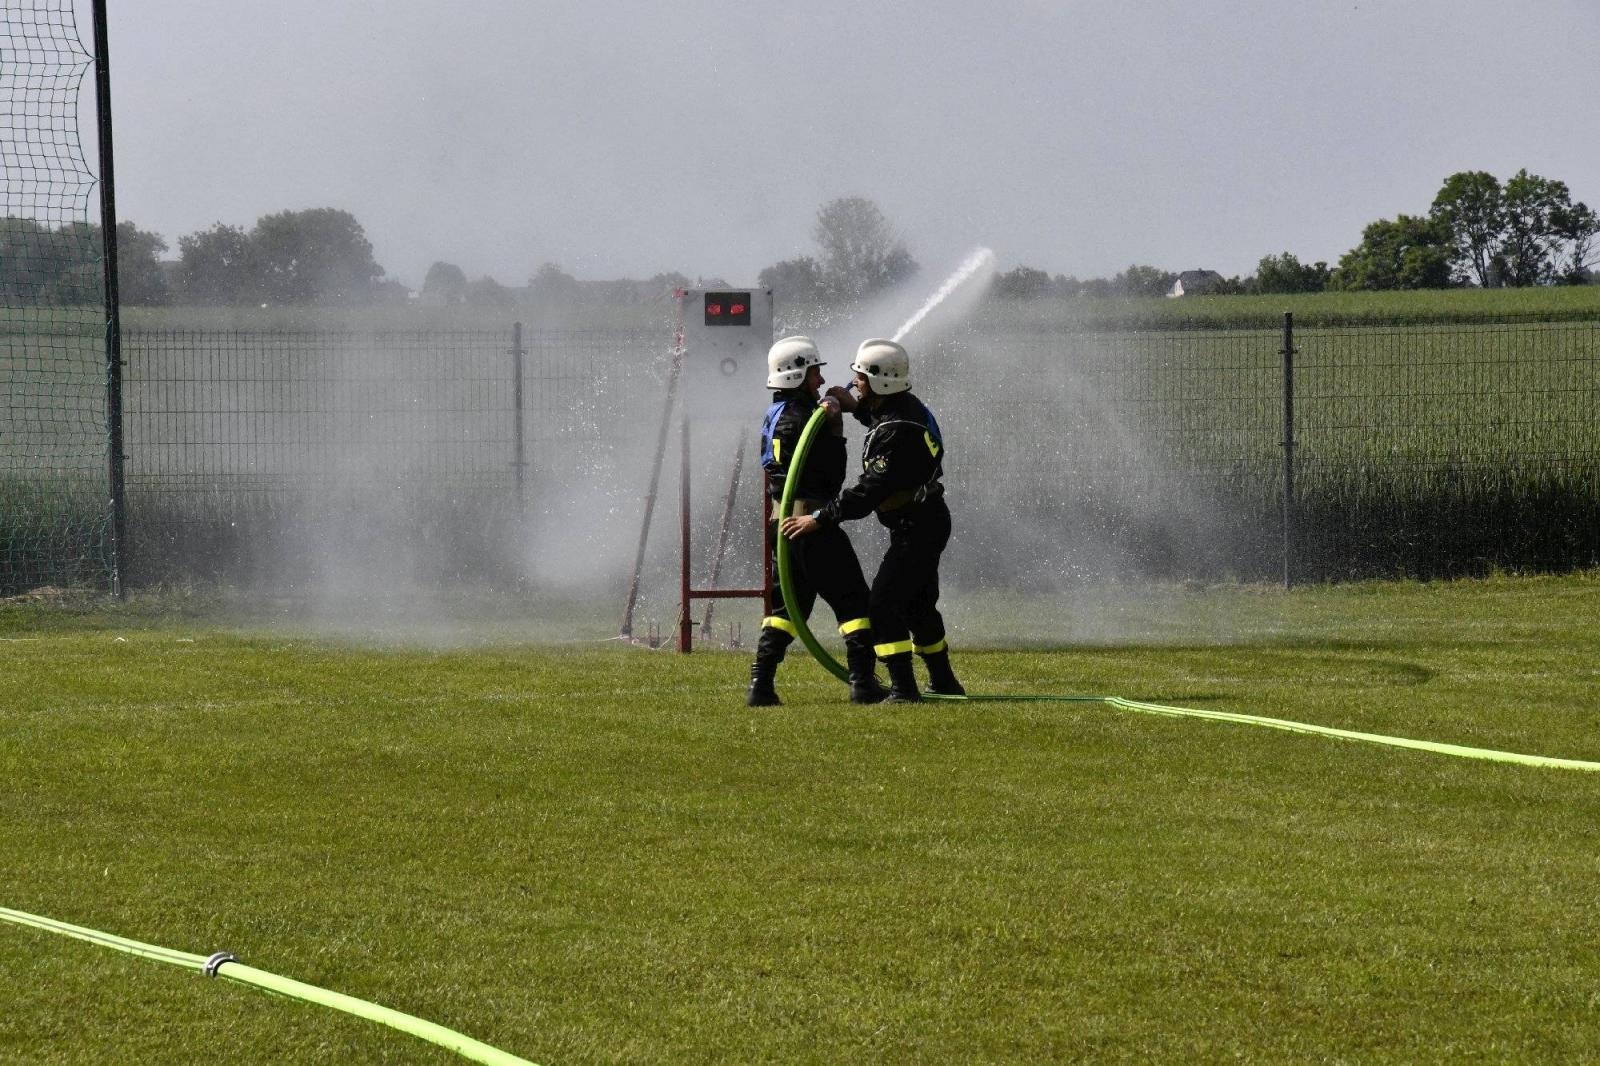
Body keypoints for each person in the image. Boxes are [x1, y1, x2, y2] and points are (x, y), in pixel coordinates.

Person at [780, 338, 963, 703]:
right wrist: (853, 409)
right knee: (918, 605)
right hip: (922, 521)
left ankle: (903, 689)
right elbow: (881, 419)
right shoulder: (902, 411)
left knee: (883, 603)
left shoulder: (897, 431)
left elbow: (866, 493)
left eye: (860, 378)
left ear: (881, 382)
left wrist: (820, 518)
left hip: (918, 526)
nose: (854, 382)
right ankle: (943, 681)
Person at [747, 336, 888, 706]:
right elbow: (831, 479)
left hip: (781, 525)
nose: (821, 382)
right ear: (796, 376)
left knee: (786, 610)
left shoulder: (775, 415)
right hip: (811, 524)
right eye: (815, 375)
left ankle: (760, 685)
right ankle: (862, 682)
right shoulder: (803, 422)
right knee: (855, 603)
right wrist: (835, 426)